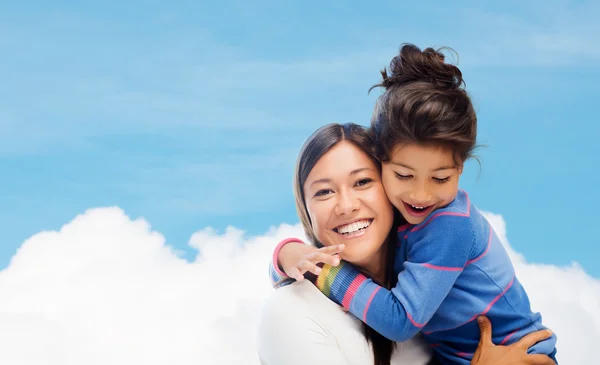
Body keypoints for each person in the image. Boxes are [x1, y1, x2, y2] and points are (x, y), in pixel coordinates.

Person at [269, 44, 558, 365]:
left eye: (440, 178)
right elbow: (294, 271)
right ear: (383, 163)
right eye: (404, 175)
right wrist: (289, 255)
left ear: (460, 169)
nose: (421, 196)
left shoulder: (449, 225)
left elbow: (399, 321)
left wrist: (324, 272)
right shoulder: (406, 227)